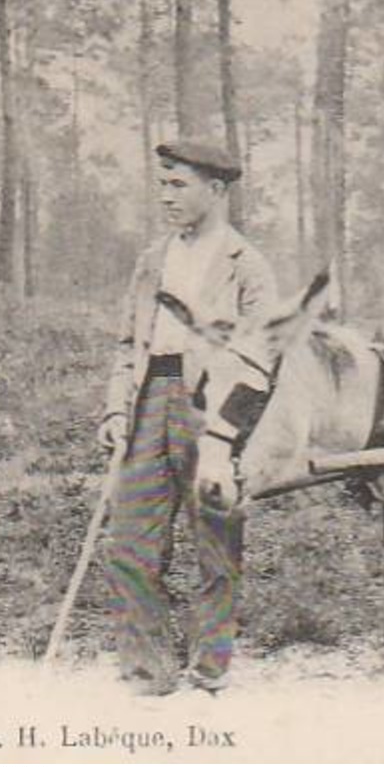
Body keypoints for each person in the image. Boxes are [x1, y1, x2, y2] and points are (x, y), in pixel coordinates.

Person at [96, 141, 277, 696]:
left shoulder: (246, 265)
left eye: (179, 185)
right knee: (127, 542)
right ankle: (148, 674)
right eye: (163, 184)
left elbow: (260, 359)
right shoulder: (153, 259)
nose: (165, 195)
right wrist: (114, 406)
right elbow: (129, 342)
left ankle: (210, 667)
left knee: (216, 543)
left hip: (214, 410)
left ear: (217, 190)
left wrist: (229, 432)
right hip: (150, 399)